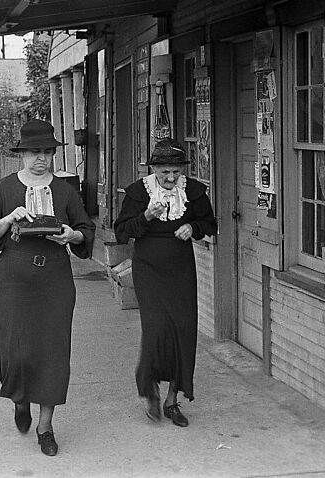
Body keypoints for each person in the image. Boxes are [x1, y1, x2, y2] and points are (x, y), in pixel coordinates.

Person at [0, 119, 95, 456]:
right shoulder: (4, 189)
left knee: (52, 353)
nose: (40, 158)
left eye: (46, 151)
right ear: (23, 154)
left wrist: (71, 235)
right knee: (13, 349)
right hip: (14, 281)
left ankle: (45, 426)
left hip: (54, 282)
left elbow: (86, 231)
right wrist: (8, 219)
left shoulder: (65, 191)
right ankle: (19, 398)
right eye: (34, 152)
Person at [114, 138, 217, 427]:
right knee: (157, 329)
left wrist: (192, 226)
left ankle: (173, 400)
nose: (170, 179)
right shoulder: (137, 193)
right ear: (154, 170)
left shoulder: (193, 192)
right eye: (164, 173)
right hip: (148, 268)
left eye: (175, 172)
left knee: (182, 330)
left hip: (181, 268)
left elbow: (210, 225)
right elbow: (121, 231)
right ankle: (150, 391)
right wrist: (146, 216)